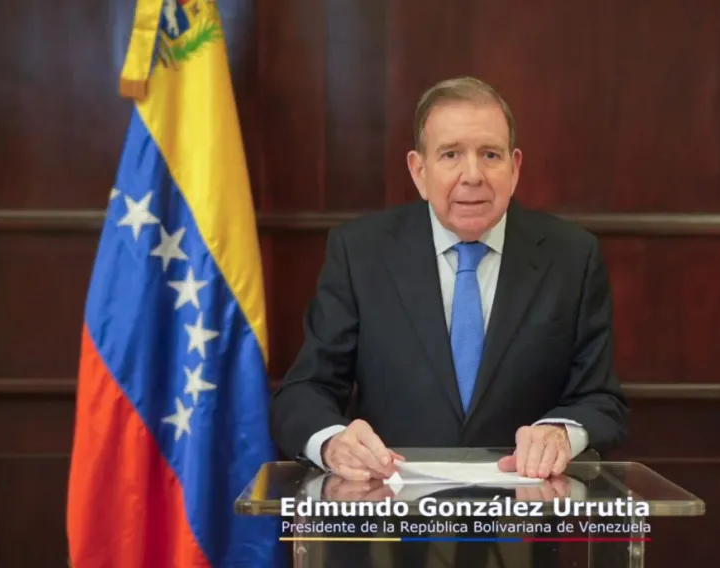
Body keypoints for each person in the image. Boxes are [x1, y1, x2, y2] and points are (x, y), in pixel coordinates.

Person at [269, 76, 629, 484]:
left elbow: (601, 399)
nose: (472, 175)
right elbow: (304, 392)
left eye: (490, 154)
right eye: (451, 155)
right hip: (391, 521)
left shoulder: (571, 257)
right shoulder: (361, 253)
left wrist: (562, 433)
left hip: (524, 524)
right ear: (419, 171)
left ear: (515, 168)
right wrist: (334, 443)